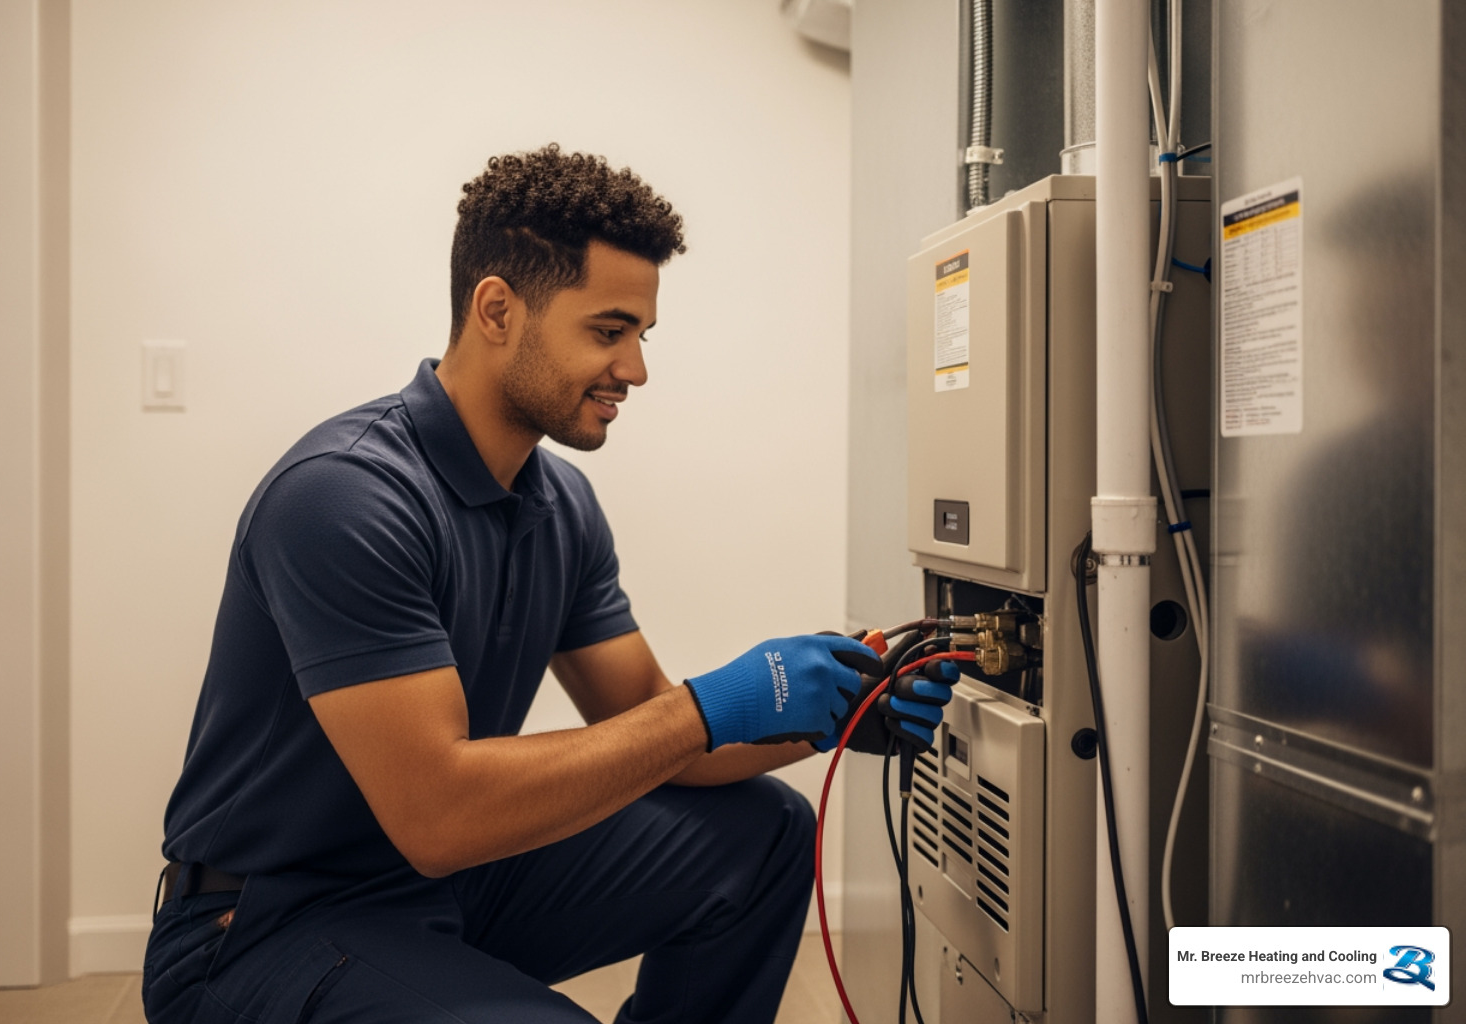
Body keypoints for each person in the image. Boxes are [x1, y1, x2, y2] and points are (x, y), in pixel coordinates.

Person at [143, 144, 946, 1024]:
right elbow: (439, 812)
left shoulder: (559, 503)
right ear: (497, 309)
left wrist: (830, 715)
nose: (635, 370)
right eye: (608, 332)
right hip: (259, 926)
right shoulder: (345, 495)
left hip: (437, 883)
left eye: (640, 336)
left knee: (764, 836)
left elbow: (650, 720)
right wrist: (713, 703)